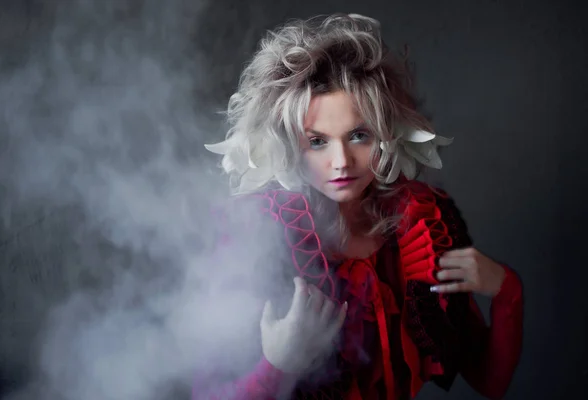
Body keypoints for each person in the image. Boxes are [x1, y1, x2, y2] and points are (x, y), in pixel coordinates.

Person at [194, 13, 523, 400]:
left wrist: (507, 291)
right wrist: (277, 366)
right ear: (285, 144)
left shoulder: (419, 230)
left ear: (386, 134)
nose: (341, 162)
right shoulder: (257, 241)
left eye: (359, 135)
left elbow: (490, 382)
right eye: (317, 141)